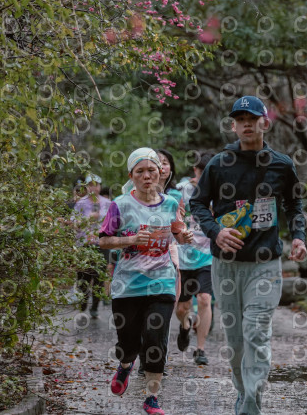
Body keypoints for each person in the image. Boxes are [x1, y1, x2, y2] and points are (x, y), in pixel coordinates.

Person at [190, 96, 307, 415]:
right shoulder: (219, 164)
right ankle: (244, 392)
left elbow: (294, 204)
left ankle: (251, 404)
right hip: (226, 265)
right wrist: (216, 231)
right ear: (233, 126)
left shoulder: (281, 164)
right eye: (240, 120)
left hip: (265, 264)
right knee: (236, 340)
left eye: (252, 119)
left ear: (264, 123)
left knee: (256, 332)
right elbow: (197, 203)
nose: (246, 124)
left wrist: (298, 237)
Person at [99, 148, 192, 415]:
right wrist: (130, 239)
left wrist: (184, 237)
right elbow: (103, 240)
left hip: (162, 282)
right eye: (140, 171)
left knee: (155, 338)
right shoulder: (120, 205)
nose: (147, 175)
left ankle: (152, 398)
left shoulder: (170, 204)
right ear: (131, 176)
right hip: (127, 286)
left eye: (151, 170)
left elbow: (178, 230)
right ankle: (125, 364)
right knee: (128, 343)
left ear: (160, 173)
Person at [136, 148, 183, 377]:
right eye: (158, 162)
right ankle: (142, 358)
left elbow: (180, 228)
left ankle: (156, 361)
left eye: (165, 163)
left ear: (169, 169)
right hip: (139, 257)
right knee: (142, 310)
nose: (161, 167)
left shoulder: (175, 197)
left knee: (162, 309)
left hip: (168, 253)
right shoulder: (133, 193)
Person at [175, 152, 215, 365]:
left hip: (207, 256)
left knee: (204, 299)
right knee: (182, 308)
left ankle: (200, 349)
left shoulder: (219, 192)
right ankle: (185, 326)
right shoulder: (181, 190)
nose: (204, 177)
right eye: (202, 172)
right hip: (183, 256)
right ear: (195, 171)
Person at [73, 172, 112, 318]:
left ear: (100, 186)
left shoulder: (107, 203)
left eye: (96, 185)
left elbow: (113, 223)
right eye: (90, 185)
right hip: (84, 245)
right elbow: (74, 224)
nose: (94, 188)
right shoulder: (81, 203)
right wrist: (88, 218)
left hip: (101, 244)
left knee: (99, 276)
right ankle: (83, 301)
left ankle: (95, 307)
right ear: (86, 187)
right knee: (83, 276)